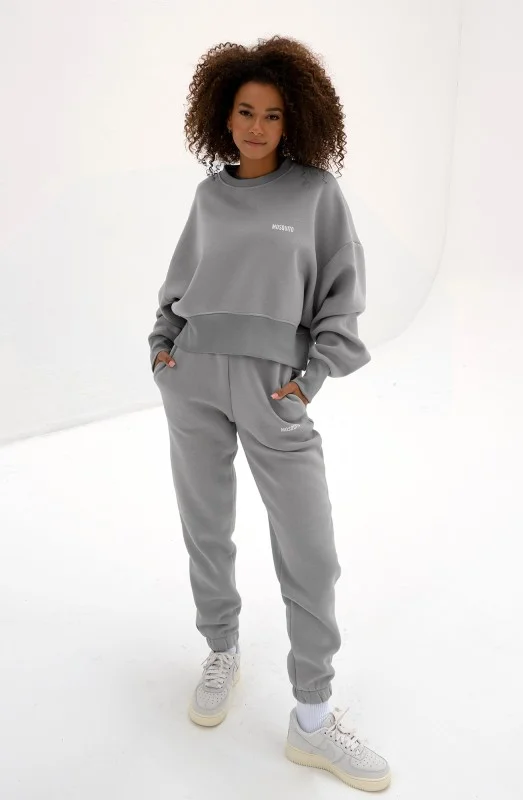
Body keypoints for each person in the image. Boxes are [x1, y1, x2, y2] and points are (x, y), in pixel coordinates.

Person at [148, 35, 391, 792]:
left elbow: (342, 296)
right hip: (193, 378)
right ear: (223, 117)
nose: (256, 126)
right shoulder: (208, 196)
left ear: (295, 122)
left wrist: (309, 380)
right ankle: (221, 650)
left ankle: (312, 719)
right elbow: (178, 285)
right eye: (245, 112)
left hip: (275, 391)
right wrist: (162, 349)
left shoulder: (316, 194)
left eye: (273, 115)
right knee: (206, 527)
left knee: (310, 551)